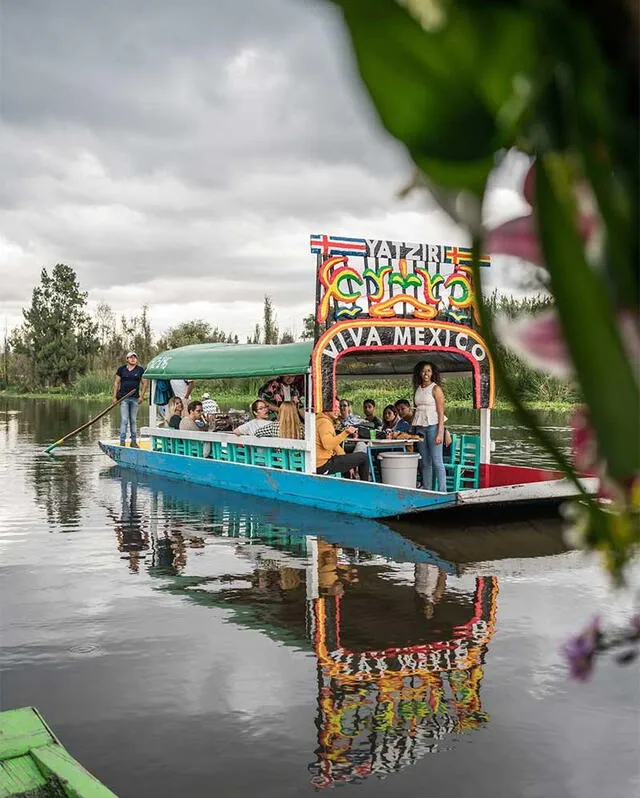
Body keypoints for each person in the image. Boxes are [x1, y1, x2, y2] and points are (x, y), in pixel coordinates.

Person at [411, 361, 447, 491]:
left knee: (437, 461)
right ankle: (427, 490)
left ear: (432, 373)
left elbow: (441, 412)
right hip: (420, 427)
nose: (426, 373)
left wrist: (440, 433)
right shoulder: (418, 388)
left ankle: (442, 491)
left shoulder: (436, 388)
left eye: (428, 371)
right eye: (423, 371)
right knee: (425, 462)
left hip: (433, 426)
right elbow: (416, 409)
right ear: (419, 373)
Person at [315, 403, 370, 481]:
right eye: (335, 407)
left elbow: (335, 446)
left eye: (338, 407)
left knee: (347, 460)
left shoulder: (320, 420)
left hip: (321, 462)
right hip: (322, 465)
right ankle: (365, 488)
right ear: (326, 407)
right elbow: (328, 445)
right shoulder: (325, 423)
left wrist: (349, 466)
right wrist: (345, 433)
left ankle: (351, 485)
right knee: (364, 457)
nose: (338, 410)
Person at [113, 351, 147, 448]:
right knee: (124, 420)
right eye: (131, 357)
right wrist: (114, 397)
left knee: (133, 420)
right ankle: (122, 442)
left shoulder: (140, 370)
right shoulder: (121, 369)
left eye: (135, 357)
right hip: (123, 398)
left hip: (134, 398)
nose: (133, 359)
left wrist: (142, 396)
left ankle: (133, 442)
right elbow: (116, 383)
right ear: (127, 359)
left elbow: (145, 383)